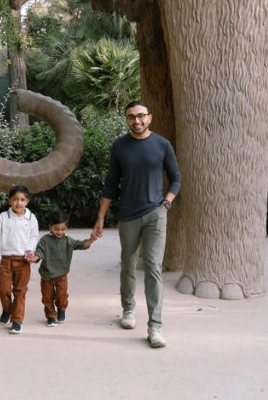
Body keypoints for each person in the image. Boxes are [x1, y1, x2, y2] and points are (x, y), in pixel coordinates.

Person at [93, 100, 181, 349]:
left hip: (155, 214)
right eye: (131, 117)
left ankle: (155, 326)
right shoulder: (119, 147)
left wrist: (166, 203)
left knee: (153, 267)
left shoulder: (162, 145)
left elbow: (176, 178)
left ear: (149, 118)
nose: (137, 120)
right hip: (128, 216)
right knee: (128, 265)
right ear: (126, 119)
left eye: (141, 116)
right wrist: (101, 218)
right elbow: (111, 184)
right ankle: (128, 310)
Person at [31, 208, 98, 326]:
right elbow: (39, 252)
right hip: (47, 276)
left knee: (62, 296)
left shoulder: (68, 240)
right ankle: (51, 316)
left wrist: (92, 239)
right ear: (50, 227)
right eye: (56, 229)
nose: (60, 232)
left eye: (63, 229)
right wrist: (35, 258)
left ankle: (61, 309)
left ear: (67, 228)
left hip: (62, 275)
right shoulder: (45, 240)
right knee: (47, 298)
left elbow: (81, 245)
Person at [0, 184, 39, 334]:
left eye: (22, 199)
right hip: (6, 260)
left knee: (20, 291)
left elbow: (34, 236)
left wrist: (30, 251)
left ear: (27, 201)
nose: (19, 203)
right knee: (2, 288)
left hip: (24, 261)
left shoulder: (31, 218)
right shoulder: (3, 217)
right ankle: (7, 309)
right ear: (10, 200)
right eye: (15, 199)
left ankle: (17, 320)